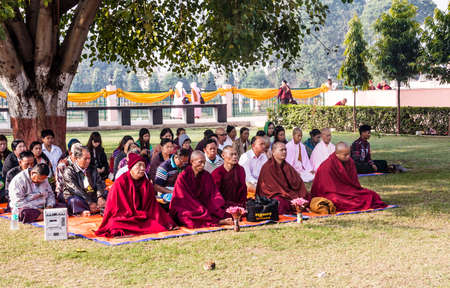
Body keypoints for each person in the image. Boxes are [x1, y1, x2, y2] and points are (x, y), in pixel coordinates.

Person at [95, 153, 177, 237]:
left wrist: (166, 221)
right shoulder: (120, 183)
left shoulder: (146, 184)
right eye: (139, 165)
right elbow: (114, 208)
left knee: (158, 222)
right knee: (113, 224)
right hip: (125, 217)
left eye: (144, 166)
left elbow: (152, 206)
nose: (142, 169)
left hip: (142, 216)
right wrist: (131, 214)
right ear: (131, 167)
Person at [311, 142, 387, 211]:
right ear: (337, 154)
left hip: (349, 191)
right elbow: (325, 188)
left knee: (371, 194)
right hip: (333, 192)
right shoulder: (327, 166)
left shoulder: (350, 162)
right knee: (335, 199)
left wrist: (352, 192)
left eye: (349, 154)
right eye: (345, 155)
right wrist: (343, 192)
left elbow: (354, 183)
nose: (348, 157)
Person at [169, 151, 231, 228]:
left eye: (204, 162)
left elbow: (213, 193)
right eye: (200, 162)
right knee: (187, 219)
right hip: (187, 206)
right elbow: (182, 198)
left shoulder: (206, 175)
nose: (203, 165)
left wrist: (216, 202)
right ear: (192, 161)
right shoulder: (183, 176)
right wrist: (199, 207)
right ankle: (219, 221)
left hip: (204, 204)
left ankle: (214, 219)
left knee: (219, 210)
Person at [256, 141, 310, 214]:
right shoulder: (268, 167)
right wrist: (289, 195)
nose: (284, 152)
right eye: (281, 150)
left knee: (306, 197)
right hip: (275, 195)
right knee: (279, 202)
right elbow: (271, 189)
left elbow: (297, 182)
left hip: (288, 193)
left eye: (285, 150)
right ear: (273, 152)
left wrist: (297, 194)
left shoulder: (287, 166)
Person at [62, 145, 106, 215]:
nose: (88, 161)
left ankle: (93, 208)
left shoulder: (92, 169)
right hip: (80, 198)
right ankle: (87, 210)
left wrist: (100, 197)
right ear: (77, 158)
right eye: (85, 159)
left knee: (110, 194)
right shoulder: (68, 171)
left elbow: (99, 183)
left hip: (92, 196)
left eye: (89, 158)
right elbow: (75, 189)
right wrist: (89, 202)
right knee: (74, 201)